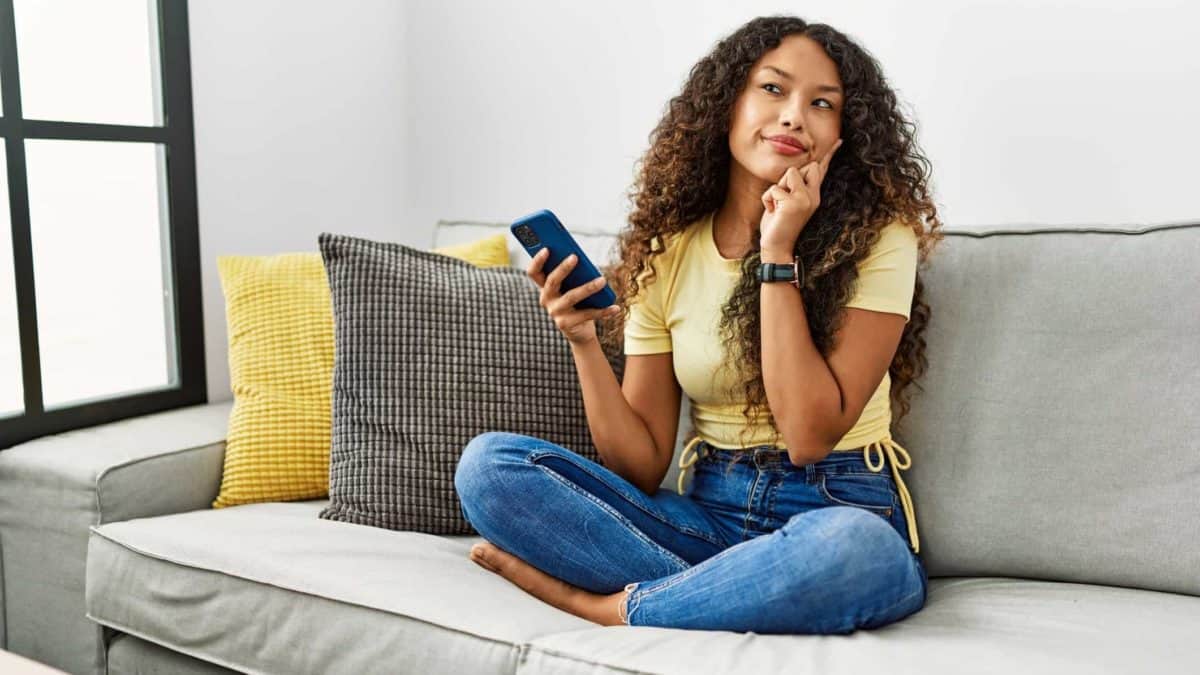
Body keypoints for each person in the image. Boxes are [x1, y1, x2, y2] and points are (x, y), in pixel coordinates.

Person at [454, 14, 945, 634]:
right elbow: (639, 467)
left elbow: (808, 437)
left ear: (845, 135)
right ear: (727, 103)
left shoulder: (879, 238)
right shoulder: (669, 250)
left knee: (854, 553)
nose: (795, 116)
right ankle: (725, 594)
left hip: (835, 506)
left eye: (822, 103)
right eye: (773, 88)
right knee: (490, 468)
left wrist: (777, 251)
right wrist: (582, 341)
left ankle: (611, 607)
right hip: (707, 520)